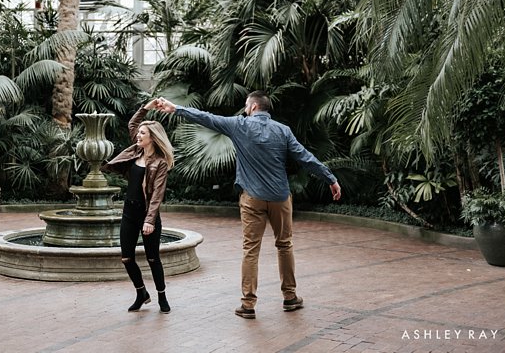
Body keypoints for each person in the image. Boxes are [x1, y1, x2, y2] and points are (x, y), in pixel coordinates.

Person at [147, 92, 340, 320]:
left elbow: (206, 118)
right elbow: (306, 157)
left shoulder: (240, 125)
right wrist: (331, 179)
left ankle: (248, 304)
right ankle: (290, 297)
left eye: (247, 106)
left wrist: (176, 108)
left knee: (251, 250)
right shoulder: (283, 131)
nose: (245, 109)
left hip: (252, 199)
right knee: (285, 245)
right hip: (280, 197)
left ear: (254, 106)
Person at [103, 106, 177, 313]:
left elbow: (157, 195)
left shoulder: (160, 163)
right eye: (139, 133)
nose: (138, 135)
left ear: (152, 138)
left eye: (143, 133)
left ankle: (162, 297)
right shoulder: (135, 152)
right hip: (129, 212)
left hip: (147, 215)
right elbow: (132, 124)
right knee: (127, 258)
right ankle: (141, 293)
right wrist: (146, 108)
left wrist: (150, 220)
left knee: (153, 258)